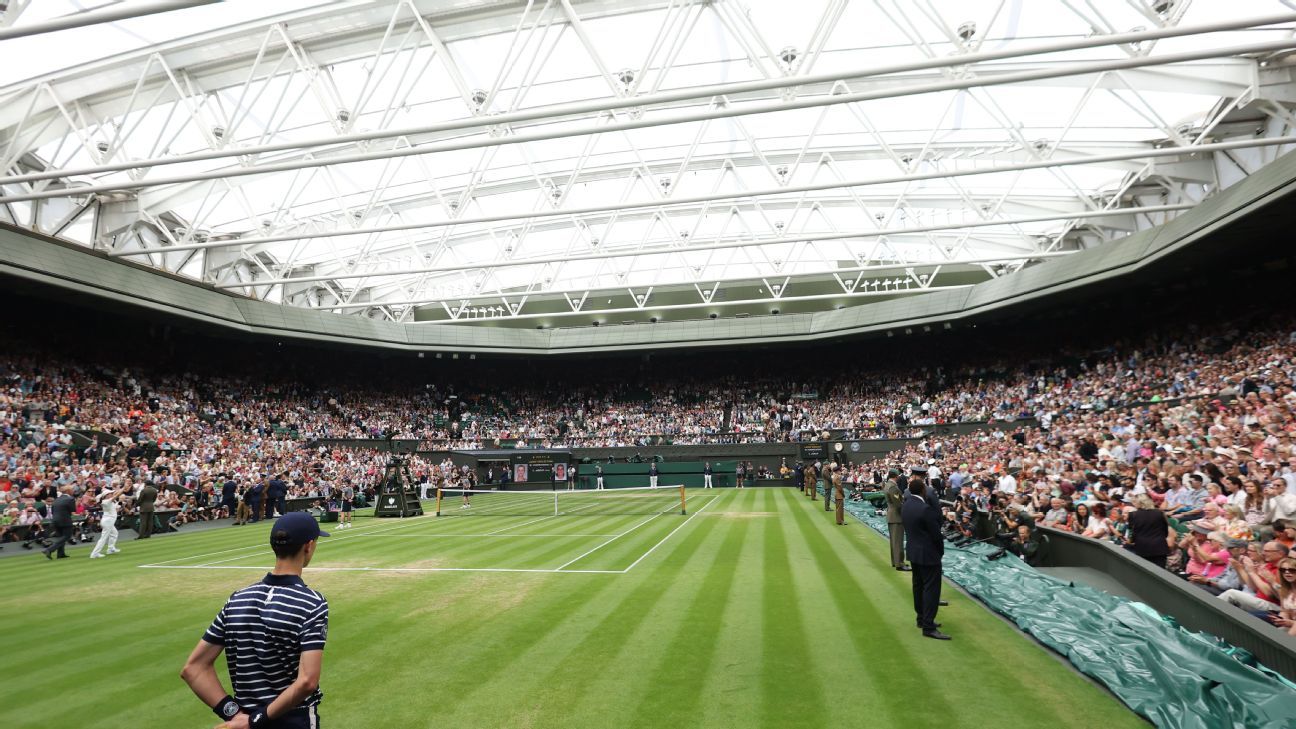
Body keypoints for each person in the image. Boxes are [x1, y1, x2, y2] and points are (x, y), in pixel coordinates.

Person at [181, 512, 330, 729]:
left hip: (243, 721)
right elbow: (307, 681)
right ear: (308, 546)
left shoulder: (237, 598)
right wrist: (255, 721)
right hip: (292, 720)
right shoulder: (312, 603)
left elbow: (193, 668)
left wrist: (234, 715)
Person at [902, 477, 949, 640]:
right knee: (931, 589)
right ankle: (928, 626)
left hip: (914, 552)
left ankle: (921, 619)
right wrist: (940, 552)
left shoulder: (906, 505)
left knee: (918, 586)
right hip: (928, 555)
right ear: (922, 490)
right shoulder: (925, 509)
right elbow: (936, 535)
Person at [1125, 495, 1171, 568]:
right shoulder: (1160, 513)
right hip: (1159, 547)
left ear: (1140, 503)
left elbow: (1133, 532)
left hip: (1142, 548)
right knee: (1160, 574)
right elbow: (1165, 531)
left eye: (1135, 502)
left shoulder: (1133, 515)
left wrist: (1131, 541)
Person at [89, 484, 125, 559]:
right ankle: (94, 553)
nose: (112, 494)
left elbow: (116, 509)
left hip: (109, 521)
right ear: (107, 495)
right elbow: (116, 495)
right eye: (110, 493)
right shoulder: (105, 501)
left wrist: (120, 503)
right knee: (103, 538)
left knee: (115, 533)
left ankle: (110, 549)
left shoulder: (110, 502)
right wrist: (124, 488)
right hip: (107, 522)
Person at [883, 469, 908, 571]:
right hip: (896, 516)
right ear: (896, 476)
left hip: (892, 515)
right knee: (897, 541)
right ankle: (899, 563)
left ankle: (896, 561)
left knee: (894, 541)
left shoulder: (888, 485)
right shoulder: (893, 487)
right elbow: (898, 504)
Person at [43, 485, 75, 560]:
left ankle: (61, 554)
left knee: (61, 536)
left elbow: (53, 510)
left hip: (55, 520)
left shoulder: (56, 499)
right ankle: (49, 549)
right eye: (72, 490)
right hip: (65, 520)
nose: (73, 491)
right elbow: (72, 510)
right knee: (67, 536)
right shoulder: (70, 499)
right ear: (68, 491)